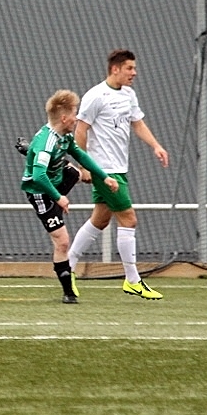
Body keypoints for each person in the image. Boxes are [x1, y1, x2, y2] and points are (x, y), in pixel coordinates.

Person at [66, 49, 169, 300]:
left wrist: (156, 146)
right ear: (115, 69)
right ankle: (132, 280)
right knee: (129, 219)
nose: (134, 73)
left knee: (100, 220)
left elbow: (138, 123)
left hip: (120, 168)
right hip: (104, 169)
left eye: (134, 68)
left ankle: (66, 267)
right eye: (130, 68)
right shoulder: (95, 96)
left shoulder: (128, 94)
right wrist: (84, 166)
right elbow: (80, 131)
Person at [20, 90, 118, 304]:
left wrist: (104, 177)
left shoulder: (64, 137)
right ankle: (68, 294)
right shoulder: (47, 142)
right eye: (75, 114)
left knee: (76, 172)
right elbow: (38, 176)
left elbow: (81, 155)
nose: (77, 118)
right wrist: (58, 198)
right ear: (64, 118)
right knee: (62, 242)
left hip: (55, 180)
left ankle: (31, 153)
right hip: (40, 191)